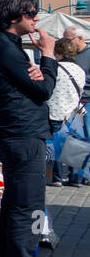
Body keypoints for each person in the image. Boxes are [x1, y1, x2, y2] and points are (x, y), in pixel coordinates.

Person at [0, 0, 61, 257]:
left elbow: (36, 85)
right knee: (27, 209)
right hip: (22, 136)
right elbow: (43, 90)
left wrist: (41, 68)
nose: (36, 18)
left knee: (16, 207)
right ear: (14, 17)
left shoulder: (8, 47)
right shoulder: (4, 48)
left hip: (22, 134)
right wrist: (49, 55)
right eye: (31, 13)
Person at [48, 37, 86, 186]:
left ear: (59, 53)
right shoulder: (80, 71)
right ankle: (75, 178)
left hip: (56, 111)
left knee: (57, 146)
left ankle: (57, 179)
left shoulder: (54, 69)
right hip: (75, 112)